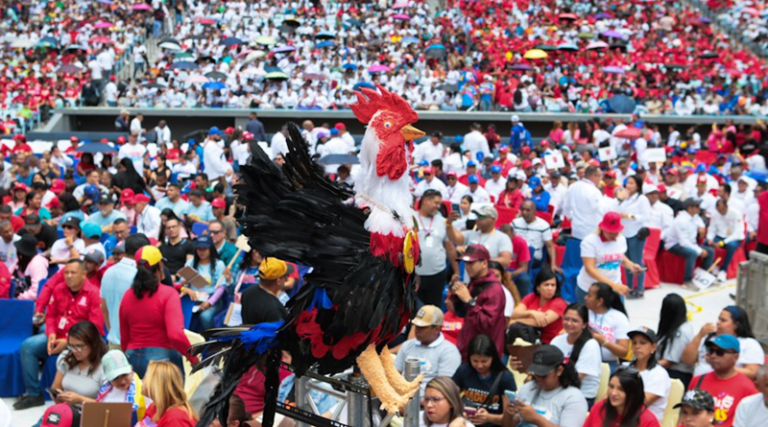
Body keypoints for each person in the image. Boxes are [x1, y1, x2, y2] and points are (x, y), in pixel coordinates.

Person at [16, 260, 104, 410]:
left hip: (80, 341)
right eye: (66, 273)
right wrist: (50, 333)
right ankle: (34, 394)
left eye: (73, 273)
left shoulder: (94, 293)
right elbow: (50, 316)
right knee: (28, 346)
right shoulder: (59, 289)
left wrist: (68, 342)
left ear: (83, 274)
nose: (68, 276)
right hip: (56, 336)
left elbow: (94, 328)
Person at [119, 245, 196, 377]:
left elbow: (124, 337)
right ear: (160, 266)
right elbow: (176, 335)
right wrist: (193, 358)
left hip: (133, 357)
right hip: (163, 360)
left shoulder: (128, 295)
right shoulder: (168, 294)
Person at [502, 345, 588, 427]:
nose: (539, 378)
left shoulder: (573, 398)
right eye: (536, 374)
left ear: (559, 370)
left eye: (543, 375)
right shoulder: (528, 388)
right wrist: (509, 414)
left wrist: (536, 419)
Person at [450, 244, 507, 360]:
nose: (467, 267)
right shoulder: (474, 282)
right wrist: (457, 296)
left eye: (471, 263)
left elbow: (487, 325)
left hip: (485, 356)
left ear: (484, 263)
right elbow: (461, 313)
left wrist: (469, 301)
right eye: (465, 263)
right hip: (469, 350)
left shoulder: (495, 290)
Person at [687, 335, 758, 427]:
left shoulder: (748, 388)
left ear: (735, 357)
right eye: (711, 351)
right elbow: (684, 414)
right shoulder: (698, 380)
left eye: (720, 352)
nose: (713, 356)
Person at [682, 306, 764, 380]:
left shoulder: (750, 344)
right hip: (699, 386)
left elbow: (753, 373)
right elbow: (687, 360)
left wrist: (725, 366)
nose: (718, 322)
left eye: (723, 320)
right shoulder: (709, 338)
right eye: (718, 319)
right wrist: (699, 336)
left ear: (736, 325)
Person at [393, 305, 462, 393]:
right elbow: (395, 375)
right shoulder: (407, 345)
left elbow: (444, 388)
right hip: (400, 399)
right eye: (416, 326)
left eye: (422, 327)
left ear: (437, 329)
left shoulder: (449, 351)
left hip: (429, 402)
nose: (417, 330)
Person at [576, 212, 643, 302]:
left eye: (616, 232)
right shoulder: (590, 241)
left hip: (614, 286)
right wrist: (614, 286)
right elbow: (589, 268)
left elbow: (620, 256)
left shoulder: (621, 239)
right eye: (610, 232)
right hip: (591, 287)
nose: (613, 235)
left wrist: (631, 266)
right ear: (602, 228)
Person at [452, 334, 516, 427]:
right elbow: (450, 397)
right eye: (475, 361)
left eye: (484, 361)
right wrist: (461, 413)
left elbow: (510, 421)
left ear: (492, 358)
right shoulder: (464, 370)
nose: (479, 366)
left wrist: (489, 417)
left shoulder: (505, 377)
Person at [101, 234, 149, 350]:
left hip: (114, 341)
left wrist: (112, 331)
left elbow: (104, 307)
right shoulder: (139, 275)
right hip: (135, 344)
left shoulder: (108, 272)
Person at [550, 303, 602, 407]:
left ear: (584, 324)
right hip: (557, 390)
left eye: (574, 320)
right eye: (566, 319)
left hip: (581, 396)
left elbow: (577, 378)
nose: (569, 323)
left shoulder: (590, 345)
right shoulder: (557, 340)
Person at [48, 320, 107, 407]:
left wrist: (80, 400)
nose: (74, 350)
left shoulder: (104, 367)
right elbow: (56, 387)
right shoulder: (67, 358)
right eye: (71, 346)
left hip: (90, 416)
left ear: (93, 344)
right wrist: (57, 396)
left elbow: (108, 406)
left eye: (79, 346)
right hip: (66, 411)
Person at [416, 190, 458, 306]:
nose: (438, 207)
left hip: (436, 274)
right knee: (413, 310)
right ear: (425, 200)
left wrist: (456, 271)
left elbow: (450, 248)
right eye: (436, 203)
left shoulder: (443, 222)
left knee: (434, 309)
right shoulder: (410, 218)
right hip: (415, 274)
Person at [582, 367, 660, 427]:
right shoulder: (600, 407)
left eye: (621, 389)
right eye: (611, 387)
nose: (613, 393)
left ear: (633, 393)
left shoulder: (649, 421)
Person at [183, 235, 230, 330]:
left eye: (205, 249)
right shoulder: (190, 263)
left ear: (211, 249)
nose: (201, 252)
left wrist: (209, 302)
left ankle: (208, 338)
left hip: (211, 298)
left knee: (205, 317)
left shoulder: (219, 264)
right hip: (193, 299)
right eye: (199, 249)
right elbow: (182, 284)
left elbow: (221, 287)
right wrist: (185, 287)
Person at [665, 198, 715, 286]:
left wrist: (701, 227)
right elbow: (683, 242)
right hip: (674, 244)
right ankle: (687, 281)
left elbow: (700, 223)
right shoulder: (681, 220)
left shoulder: (694, 216)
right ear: (689, 208)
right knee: (692, 253)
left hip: (690, 243)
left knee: (710, 251)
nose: (700, 208)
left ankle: (706, 276)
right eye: (697, 206)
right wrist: (699, 250)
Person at [509, 267, 567, 344]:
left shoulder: (559, 302)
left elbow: (543, 322)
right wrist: (531, 312)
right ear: (538, 288)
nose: (550, 288)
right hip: (531, 338)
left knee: (516, 327)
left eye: (553, 285)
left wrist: (517, 321)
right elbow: (514, 313)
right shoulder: (532, 297)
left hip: (550, 343)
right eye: (546, 285)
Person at [615, 176, 651, 298]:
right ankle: (629, 287)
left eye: (631, 183)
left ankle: (640, 288)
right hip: (624, 233)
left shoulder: (642, 199)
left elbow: (645, 216)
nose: (628, 186)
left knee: (637, 261)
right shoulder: (625, 199)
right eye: (627, 183)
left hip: (636, 233)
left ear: (638, 186)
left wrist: (629, 216)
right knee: (627, 262)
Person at [447, 205, 513, 270]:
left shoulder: (502, 238)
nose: (477, 219)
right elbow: (453, 238)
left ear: (493, 219)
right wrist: (449, 223)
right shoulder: (471, 234)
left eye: (481, 217)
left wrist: (481, 262)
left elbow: (506, 261)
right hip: (469, 278)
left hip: (489, 278)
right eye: (477, 216)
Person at [584, 283, 630, 372]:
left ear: (599, 301)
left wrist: (604, 342)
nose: (585, 298)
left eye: (589, 295)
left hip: (608, 365)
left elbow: (623, 352)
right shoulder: (583, 312)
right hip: (585, 361)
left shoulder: (619, 317)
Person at [627, 327, 670, 422]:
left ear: (653, 347)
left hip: (646, 422)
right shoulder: (624, 368)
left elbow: (639, 404)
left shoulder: (659, 374)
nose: (637, 346)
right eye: (634, 343)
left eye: (642, 343)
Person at [96, 350, 150, 426]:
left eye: (125, 375)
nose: (122, 381)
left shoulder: (144, 389)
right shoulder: (105, 390)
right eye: (116, 377)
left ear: (131, 369)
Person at [138, 361, 198, 427]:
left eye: (146, 377)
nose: (142, 380)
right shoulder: (154, 407)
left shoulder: (175, 418)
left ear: (157, 384)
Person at [655, 294, 695, 388]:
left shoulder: (680, 333)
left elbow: (669, 362)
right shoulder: (677, 325)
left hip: (676, 375)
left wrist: (646, 367)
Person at [241, 257, 292, 325]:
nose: (286, 279)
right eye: (285, 276)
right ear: (278, 281)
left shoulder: (247, 292)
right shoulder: (274, 309)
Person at [512, 200, 559, 273]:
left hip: (533, 257)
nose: (524, 212)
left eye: (528, 210)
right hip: (516, 255)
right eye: (523, 209)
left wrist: (553, 264)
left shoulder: (543, 225)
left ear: (534, 211)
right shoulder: (515, 222)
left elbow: (550, 246)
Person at [706, 199, 745, 281]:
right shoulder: (715, 214)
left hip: (733, 238)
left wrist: (723, 243)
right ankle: (712, 265)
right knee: (706, 242)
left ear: (726, 206)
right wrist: (710, 238)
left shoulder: (735, 213)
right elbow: (712, 228)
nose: (721, 213)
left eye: (722, 210)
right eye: (719, 211)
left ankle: (724, 270)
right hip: (720, 236)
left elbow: (738, 232)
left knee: (731, 246)